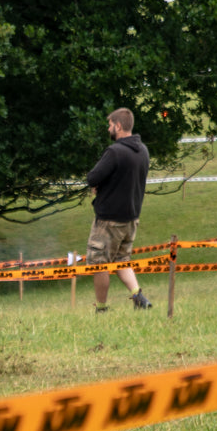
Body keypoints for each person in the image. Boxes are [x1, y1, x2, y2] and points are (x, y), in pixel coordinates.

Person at [86, 108, 152, 313]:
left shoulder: (115, 151)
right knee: (122, 260)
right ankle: (137, 295)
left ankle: (102, 307)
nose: (109, 128)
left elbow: (92, 177)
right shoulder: (143, 151)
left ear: (119, 126)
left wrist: (98, 186)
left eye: (110, 125)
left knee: (99, 263)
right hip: (131, 217)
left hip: (109, 219)